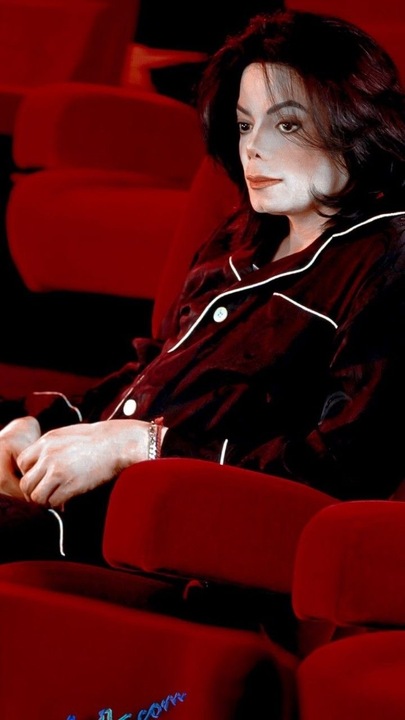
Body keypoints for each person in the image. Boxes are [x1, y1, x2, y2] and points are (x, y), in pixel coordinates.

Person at [1, 8, 405, 564]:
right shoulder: (241, 236)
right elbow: (153, 371)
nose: (253, 148)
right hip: (75, 506)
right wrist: (37, 424)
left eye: (288, 124)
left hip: (171, 541)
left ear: (356, 121)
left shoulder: (387, 262)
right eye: (244, 124)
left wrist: (144, 448)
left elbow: (341, 469)